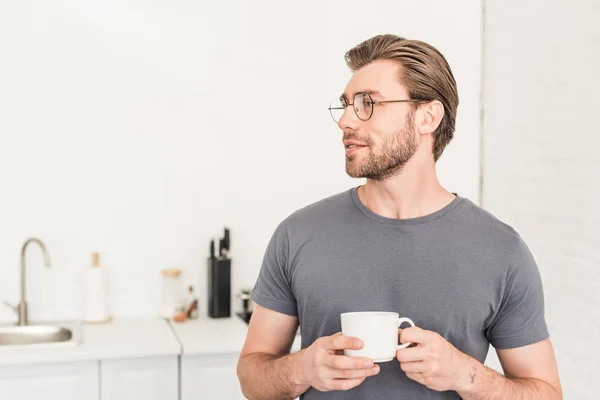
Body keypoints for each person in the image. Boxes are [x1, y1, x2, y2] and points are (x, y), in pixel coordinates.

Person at [236, 34, 562, 399]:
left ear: (427, 117)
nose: (345, 120)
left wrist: (466, 374)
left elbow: (546, 393)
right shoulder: (297, 235)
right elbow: (252, 377)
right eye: (346, 105)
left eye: (368, 103)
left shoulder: (502, 251)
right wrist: (301, 369)